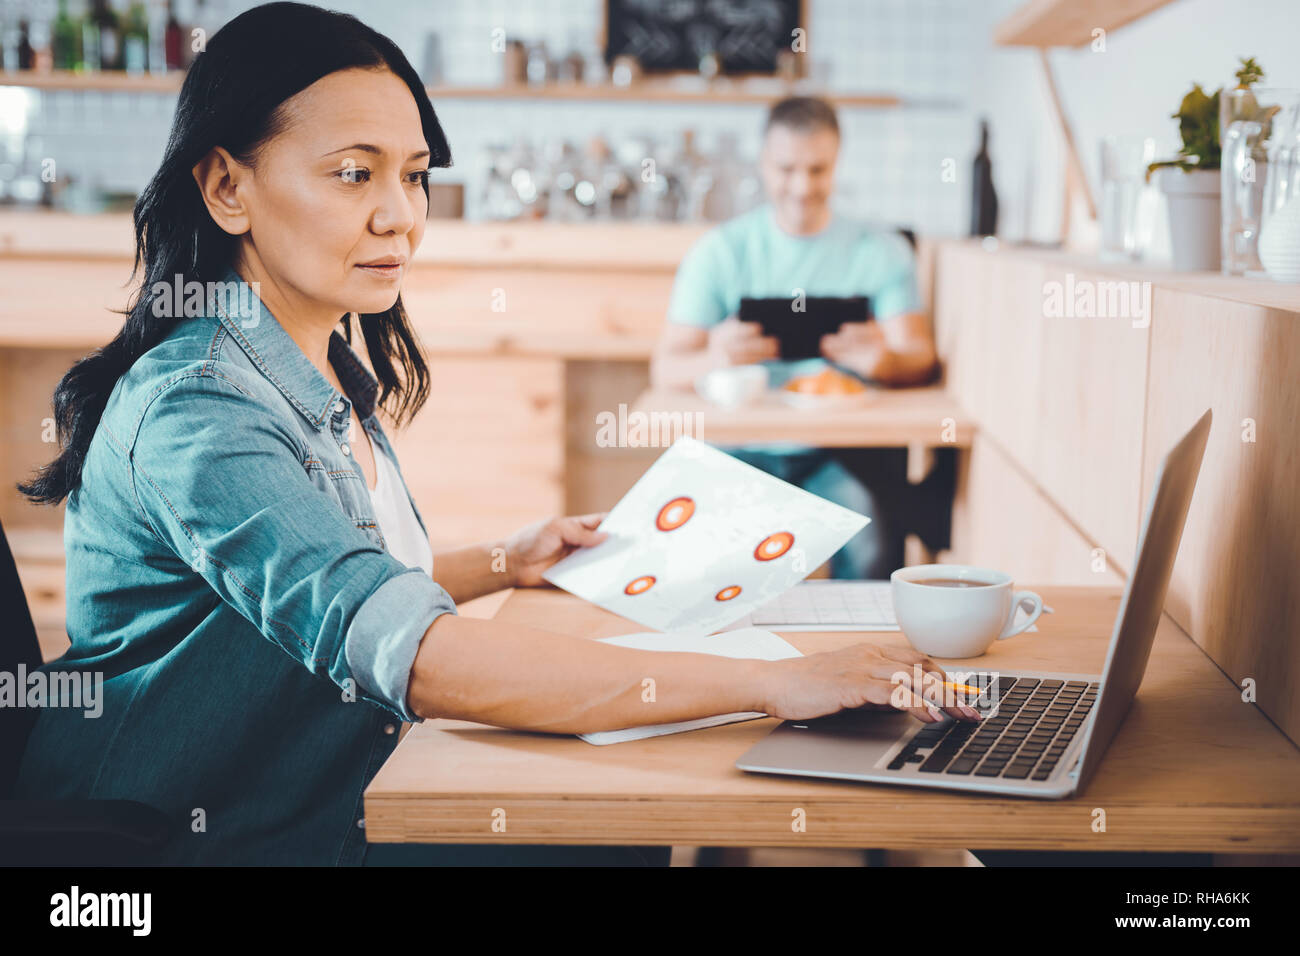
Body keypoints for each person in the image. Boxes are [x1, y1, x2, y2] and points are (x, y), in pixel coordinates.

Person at [11, 4, 978, 866]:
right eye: (355, 175)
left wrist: (504, 560)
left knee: (665, 798)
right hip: (227, 825)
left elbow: (329, 575)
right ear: (228, 187)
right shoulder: (200, 413)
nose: (404, 216)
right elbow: (416, 656)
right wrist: (775, 682)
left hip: (322, 774)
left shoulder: (316, 361)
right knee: (626, 822)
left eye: (417, 176)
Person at [651, 96, 940, 580]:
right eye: (787, 169)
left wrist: (885, 362)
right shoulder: (721, 252)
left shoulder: (881, 252)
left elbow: (920, 357)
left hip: (838, 451)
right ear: (763, 164)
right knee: (703, 562)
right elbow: (665, 369)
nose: (803, 187)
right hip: (736, 449)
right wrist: (714, 356)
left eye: (818, 169)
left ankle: (863, 653)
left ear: (836, 163)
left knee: (872, 547)